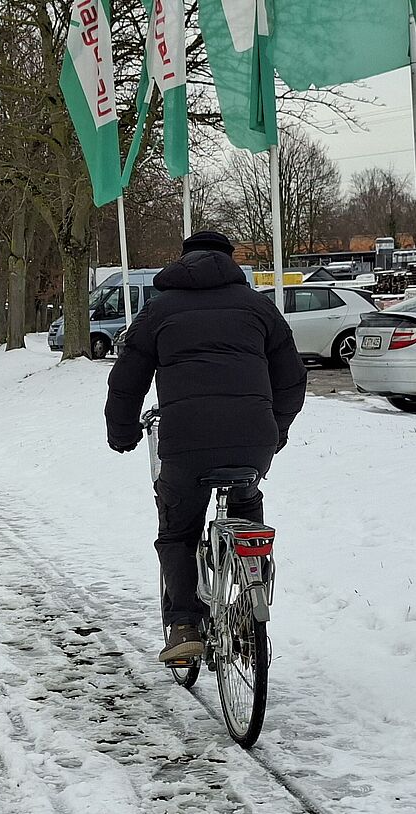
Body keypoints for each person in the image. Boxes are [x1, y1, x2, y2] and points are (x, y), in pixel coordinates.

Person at [104, 231, 307, 663]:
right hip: (253, 440)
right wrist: (276, 428)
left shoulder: (158, 311)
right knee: (246, 503)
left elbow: (126, 381)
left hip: (186, 442)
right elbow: (291, 378)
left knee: (178, 531)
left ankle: (184, 625)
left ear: (182, 262)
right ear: (231, 262)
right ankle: (251, 594)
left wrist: (122, 432)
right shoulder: (259, 308)